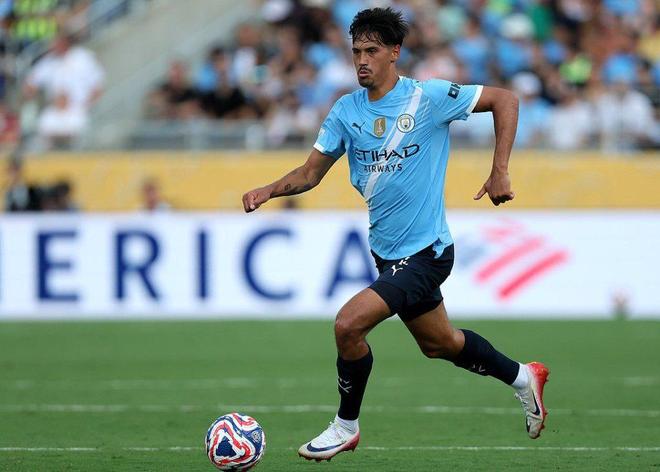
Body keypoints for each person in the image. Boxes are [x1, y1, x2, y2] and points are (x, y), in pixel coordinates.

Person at [242, 8, 549, 462]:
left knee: (348, 325)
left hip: (428, 252)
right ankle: (524, 377)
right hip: (387, 254)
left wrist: (499, 170)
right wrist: (268, 190)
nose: (361, 60)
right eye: (356, 52)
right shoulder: (346, 110)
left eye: (371, 50)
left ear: (394, 52)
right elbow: (310, 173)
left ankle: (345, 426)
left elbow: (506, 100)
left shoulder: (428, 97)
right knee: (440, 344)